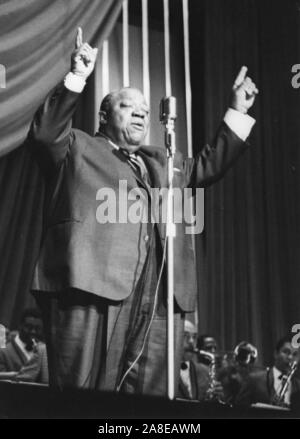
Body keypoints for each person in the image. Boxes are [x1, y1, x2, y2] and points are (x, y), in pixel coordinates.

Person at [29, 27, 258, 396]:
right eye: (128, 105)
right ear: (104, 115)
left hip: (160, 297)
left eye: (146, 110)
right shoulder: (77, 148)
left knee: (150, 404)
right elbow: (44, 134)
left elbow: (208, 167)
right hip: (91, 289)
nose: (141, 112)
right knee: (83, 398)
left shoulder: (163, 161)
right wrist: (78, 77)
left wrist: (237, 112)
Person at [236, 335, 300, 407]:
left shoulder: (298, 385)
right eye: (286, 352)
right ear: (276, 354)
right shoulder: (254, 380)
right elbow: (239, 410)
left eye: (295, 354)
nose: (290, 357)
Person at [177, 320, 223, 402]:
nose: (191, 341)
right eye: (185, 336)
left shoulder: (205, 371)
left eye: (194, 337)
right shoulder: (163, 372)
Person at [0, 309, 48, 384]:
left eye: (37, 328)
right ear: (20, 325)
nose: (33, 331)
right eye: (29, 327)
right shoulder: (3, 352)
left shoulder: (44, 350)